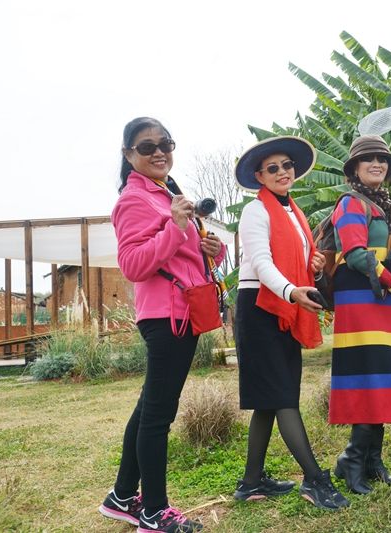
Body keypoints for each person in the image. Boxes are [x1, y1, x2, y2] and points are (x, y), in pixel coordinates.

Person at [99, 117, 225, 532]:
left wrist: (212, 248)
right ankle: (154, 511)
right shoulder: (134, 200)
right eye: (146, 146)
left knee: (149, 408)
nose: (158, 152)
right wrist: (175, 226)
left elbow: (184, 256)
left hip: (183, 311)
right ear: (128, 154)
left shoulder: (166, 192)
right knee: (158, 415)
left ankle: (121, 497)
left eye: (165, 143)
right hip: (165, 315)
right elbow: (133, 265)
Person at [233, 136, 349, 510]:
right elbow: (261, 262)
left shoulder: (292, 211)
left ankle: (251, 482)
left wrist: (310, 266)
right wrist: (291, 291)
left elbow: (297, 259)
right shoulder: (256, 211)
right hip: (261, 306)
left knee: (270, 400)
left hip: (283, 301)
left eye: (287, 165)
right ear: (259, 176)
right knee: (283, 396)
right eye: (273, 168)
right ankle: (314, 480)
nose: (282, 172)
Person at [328, 135, 391, 495]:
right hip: (362, 299)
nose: (377, 164)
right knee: (367, 374)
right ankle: (353, 459)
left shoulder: (385, 206)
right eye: (369, 159)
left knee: (382, 376)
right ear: (355, 169)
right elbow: (356, 253)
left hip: (384, 301)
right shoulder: (351, 203)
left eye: (382, 159)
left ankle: (372, 460)